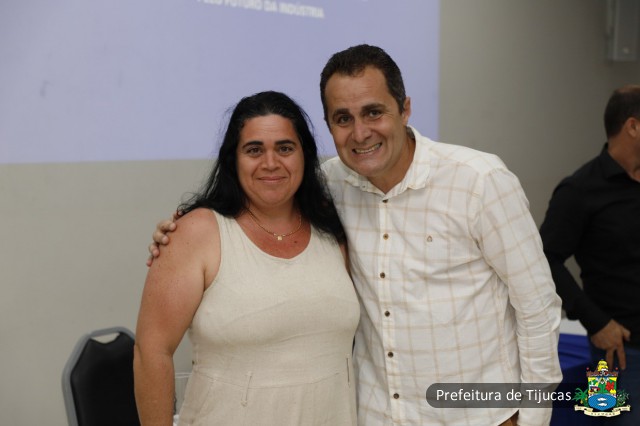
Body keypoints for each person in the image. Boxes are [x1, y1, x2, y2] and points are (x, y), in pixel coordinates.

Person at [149, 45, 562, 426]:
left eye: (373, 112)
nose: (360, 133)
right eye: (343, 118)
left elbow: (538, 309)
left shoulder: (480, 182)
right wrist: (181, 228)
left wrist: (531, 418)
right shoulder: (330, 187)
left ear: (405, 109)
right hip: (375, 416)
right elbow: (260, 197)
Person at [134, 91, 360, 426]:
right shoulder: (196, 233)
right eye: (254, 150)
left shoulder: (333, 228)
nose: (271, 163)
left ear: (305, 155)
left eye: (285, 148)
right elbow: (151, 351)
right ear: (233, 160)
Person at [539, 85, 640, 425]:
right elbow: (546, 259)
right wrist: (595, 321)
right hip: (613, 354)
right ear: (632, 126)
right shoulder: (580, 190)